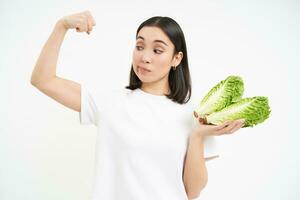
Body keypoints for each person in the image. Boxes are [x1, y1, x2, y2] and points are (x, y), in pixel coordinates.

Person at [30, 10, 245, 200]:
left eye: (157, 50)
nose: (144, 57)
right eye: (139, 46)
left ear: (176, 59)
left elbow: (191, 192)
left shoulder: (194, 114)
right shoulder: (110, 102)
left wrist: (197, 135)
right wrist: (62, 26)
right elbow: (43, 80)